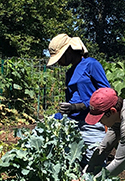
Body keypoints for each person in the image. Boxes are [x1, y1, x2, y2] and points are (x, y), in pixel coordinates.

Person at [47, 34, 110, 167]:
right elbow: (71, 101)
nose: (58, 62)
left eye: (60, 57)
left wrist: (77, 107)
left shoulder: (91, 65)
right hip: (72, 125)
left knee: (95, 166)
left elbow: (107, 95)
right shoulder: (69, 72)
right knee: (72, 165)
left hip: (91, 125)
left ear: (69, 50)